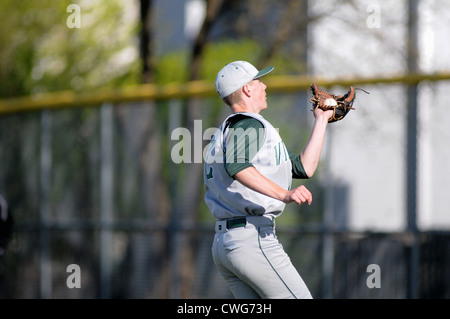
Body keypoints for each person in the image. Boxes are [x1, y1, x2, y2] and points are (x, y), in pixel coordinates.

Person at [203, 60, 333, 299]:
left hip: (226, 242)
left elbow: (305, 167)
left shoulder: (229, 130)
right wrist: (285, 194)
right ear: (247, 89)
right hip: (251, 238)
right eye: (259, 80)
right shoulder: (248, 124)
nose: (264, 86)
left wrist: (321, 120)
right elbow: (237, 166)